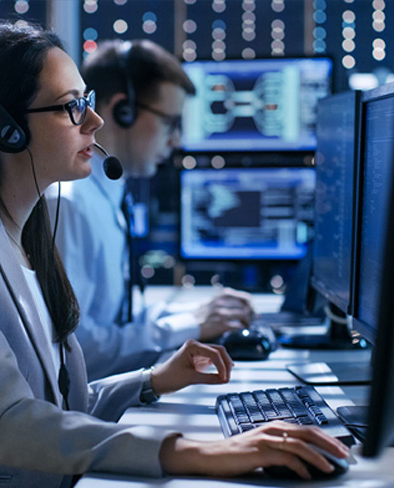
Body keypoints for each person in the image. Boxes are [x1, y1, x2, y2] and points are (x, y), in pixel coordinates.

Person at [0, 20, 348, 488]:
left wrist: (153, 380)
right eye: (72, 106)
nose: (94, 121)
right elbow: (10, 421)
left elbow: (57, 404)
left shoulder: (24, 232)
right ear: (8, 129)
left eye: (87, 102)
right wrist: (195, 451)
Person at [46, 38, 255, 380]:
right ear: (122, 111)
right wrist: (191, 324)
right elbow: (76, 351)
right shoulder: (68, 206)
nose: (176, 141)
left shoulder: (107, 195)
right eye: (171, 123)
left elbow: (117, 317)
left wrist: (196, 316)